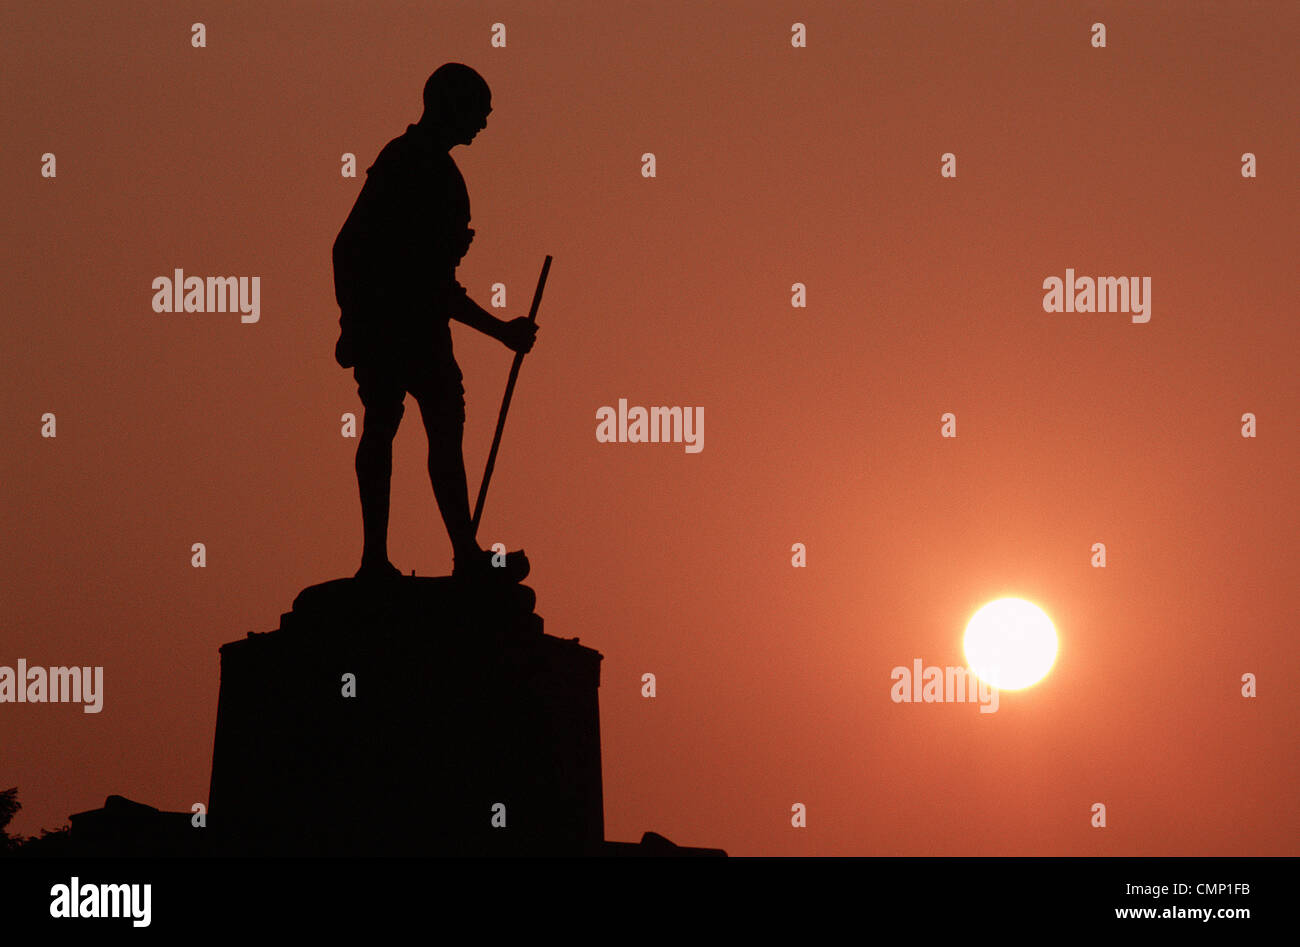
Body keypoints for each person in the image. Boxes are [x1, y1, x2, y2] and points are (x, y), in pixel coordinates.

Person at [332, 63, 537, 582]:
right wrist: (353, 321)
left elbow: (435, 279)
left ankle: (463, 552)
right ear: (454, 107)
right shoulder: (408, 163)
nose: (484, 124)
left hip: (417, 328)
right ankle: (378, 560)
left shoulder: (434, 171)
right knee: (387, 425)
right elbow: (358, 251)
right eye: (479, 112)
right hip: (392, 327)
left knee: (440, 428)